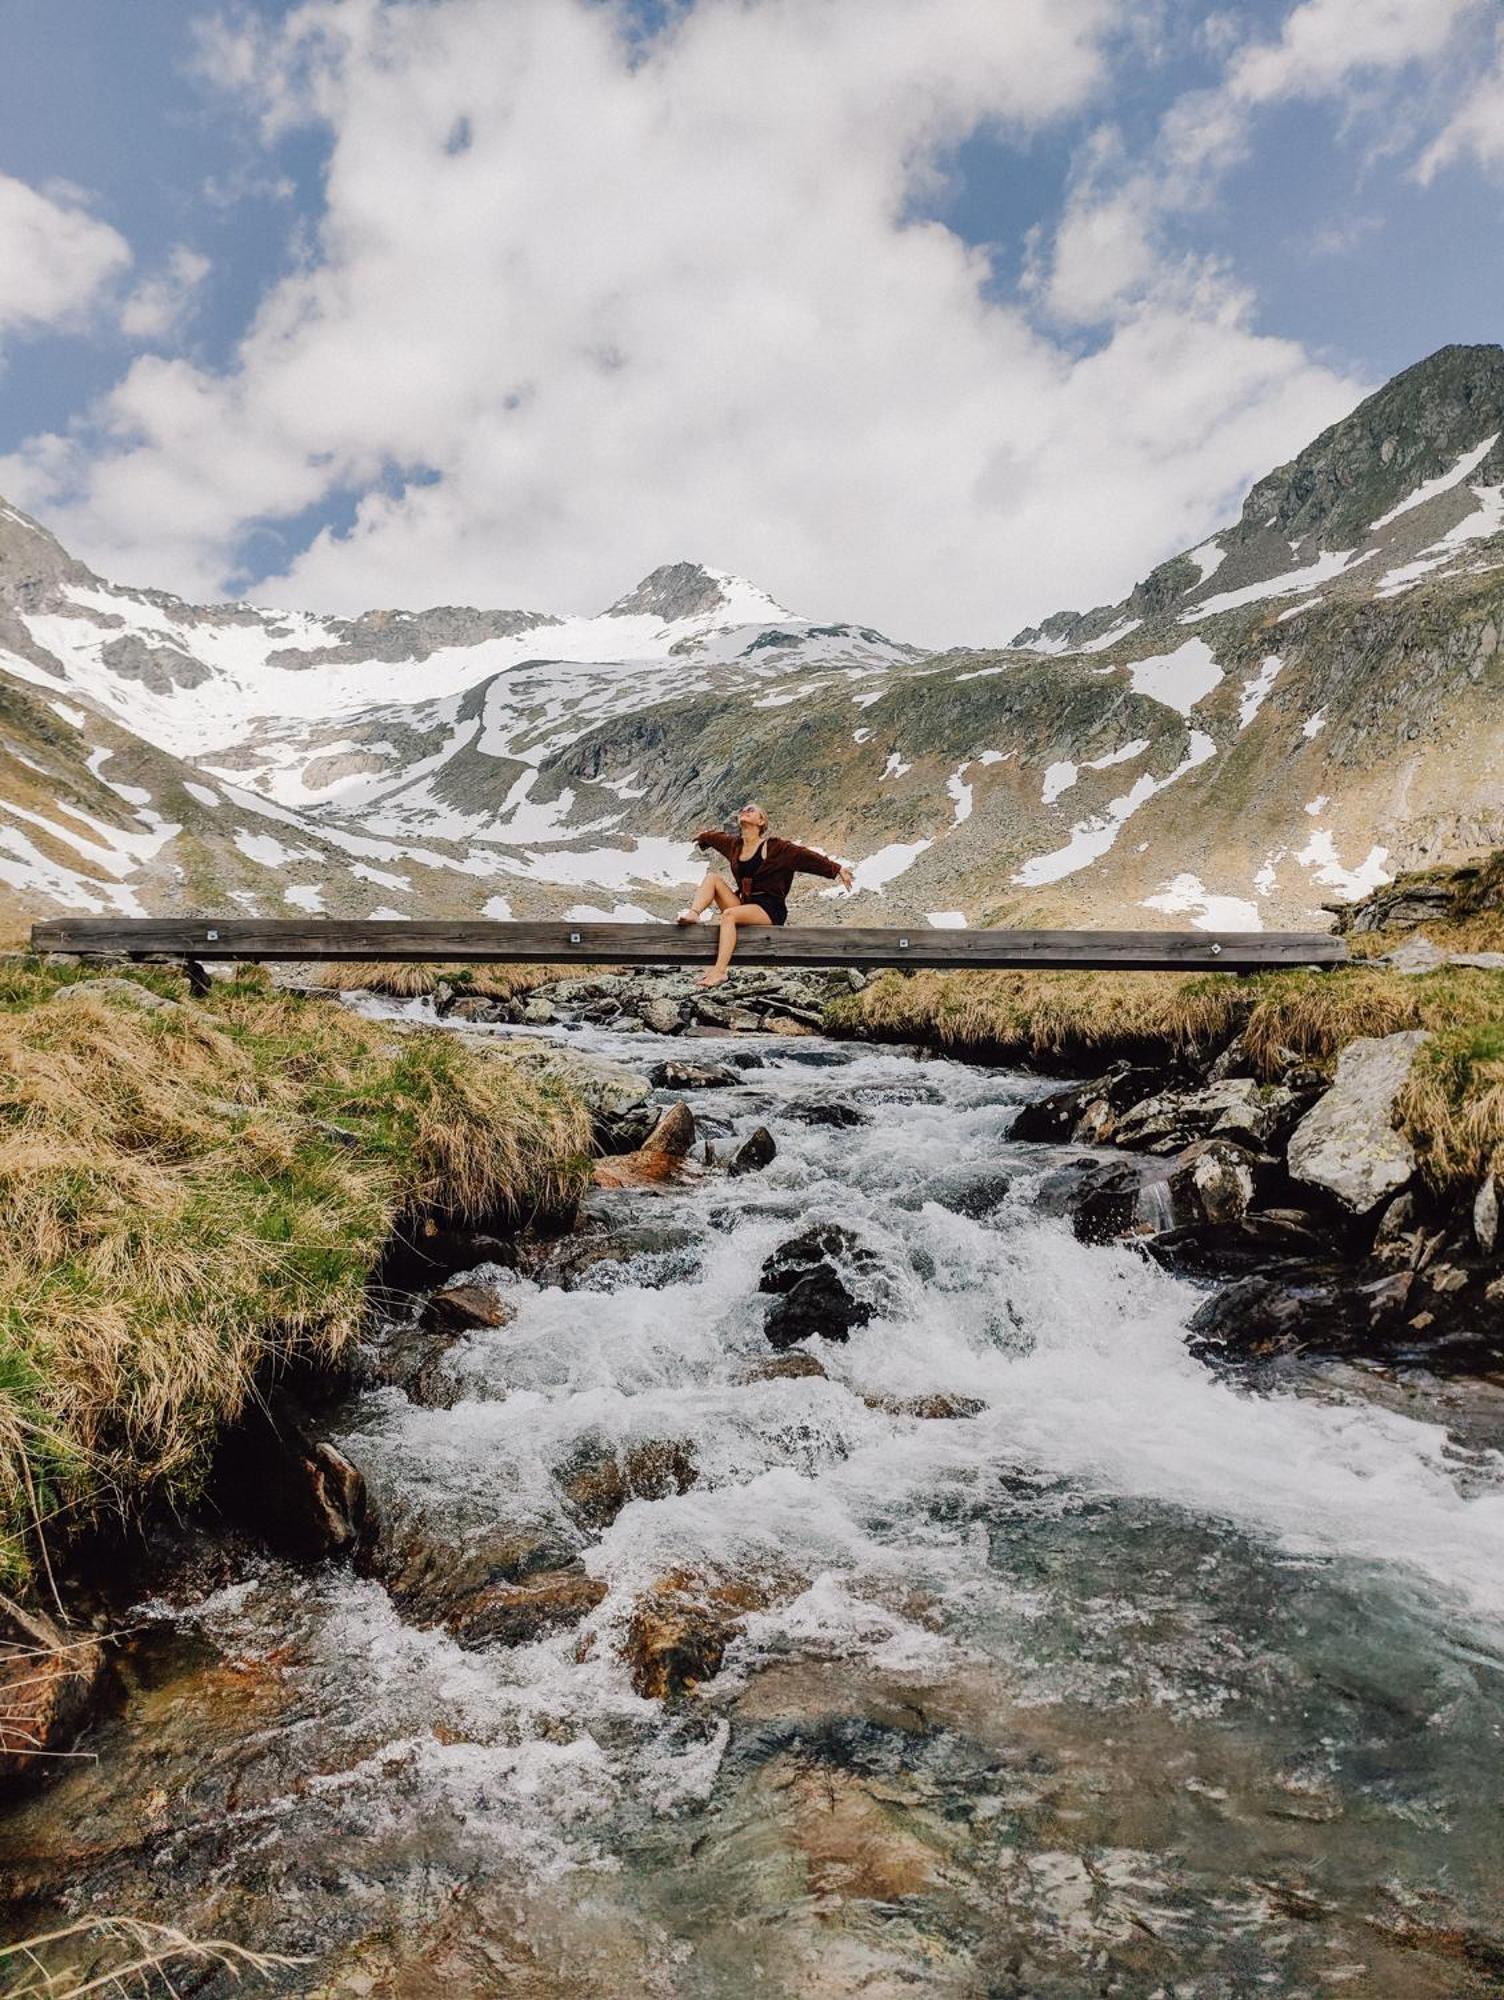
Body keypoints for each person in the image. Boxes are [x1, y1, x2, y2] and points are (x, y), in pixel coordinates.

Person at [677, 802, 854, 987]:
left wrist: (836, 868)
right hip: (746, 905)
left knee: (728, 915)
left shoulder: (777, 848)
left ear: (761, 821)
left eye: (750, 810)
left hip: (769, 909)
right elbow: (717, 839)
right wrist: (704, 837)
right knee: (712, 878)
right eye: (742, 811)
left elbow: (805, 856)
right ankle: (694, 913)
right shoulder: (735, 846)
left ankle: (720, 972)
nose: (744, 812)